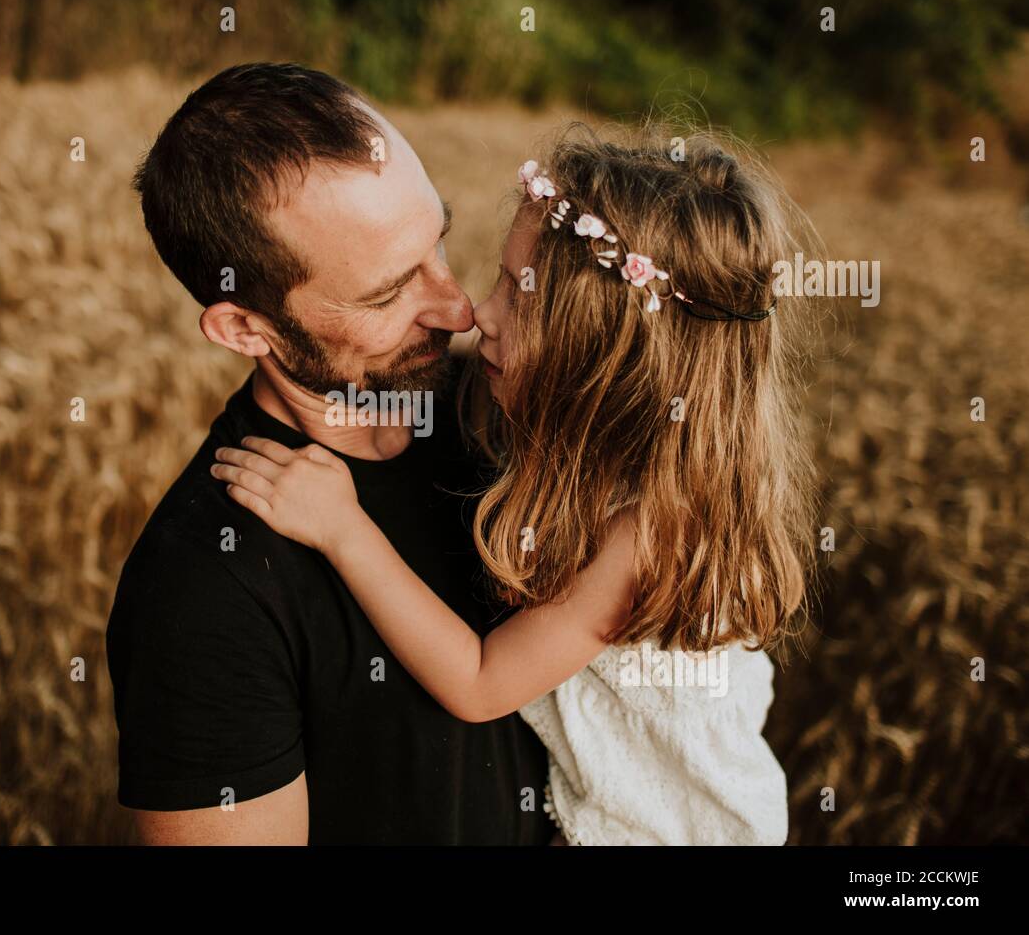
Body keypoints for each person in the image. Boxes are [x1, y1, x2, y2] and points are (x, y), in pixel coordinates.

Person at [213, 126, 820, 845]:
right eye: (501, 280)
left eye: (519, 299)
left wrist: (344, 530)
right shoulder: (611, 450)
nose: (479, 315)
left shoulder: (648, 534)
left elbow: (478, 684)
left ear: (602, 359)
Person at [106, 62, 556, 844]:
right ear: (247, 330)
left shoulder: (508, 412)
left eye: (438, 244)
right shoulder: (205, 586)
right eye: (387, 295)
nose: (457, 309)